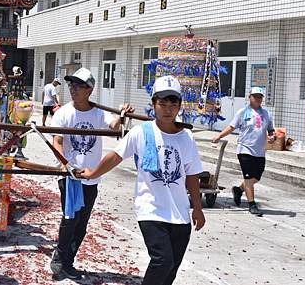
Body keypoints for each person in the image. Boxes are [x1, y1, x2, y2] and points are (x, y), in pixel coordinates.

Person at [78, 75, 206, 285]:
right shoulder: (141, 132)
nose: (167, 109)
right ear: (153, 104)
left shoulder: (186, 137)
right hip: (151, 210)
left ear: (179, 106)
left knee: (172, 267)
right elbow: (115, 156)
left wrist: (197, 208)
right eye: (162, 103)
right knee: (162, 260)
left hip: (180, 214)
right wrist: (93, 173)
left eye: (173, 103)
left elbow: (192, 175)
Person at [49, 67, 133, 280]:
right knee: (70, 219)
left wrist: (122, 115)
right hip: (70, 177)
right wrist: (65, 164)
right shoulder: (63, 113)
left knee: (81, 223)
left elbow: (113, 127)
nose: (73, 89)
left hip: (91, 176)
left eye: (78, 86)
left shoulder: (98, 113)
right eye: (71, 85)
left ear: (89, 90)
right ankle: (60, 259)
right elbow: (57, 141)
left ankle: (68, 260)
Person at [212, 86, 275, 216]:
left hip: (260, 151)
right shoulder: (243, 112)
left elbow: (271, 129)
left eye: (260, 97)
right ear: (249, 97)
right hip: (245, 149)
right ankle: (252, 205)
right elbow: (231, 127)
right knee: (248, 178)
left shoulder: (266, 114)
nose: (258, 99)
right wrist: (219, 136)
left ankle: (239, 190)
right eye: (255, 96)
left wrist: (272, 136)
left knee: (256, 177)